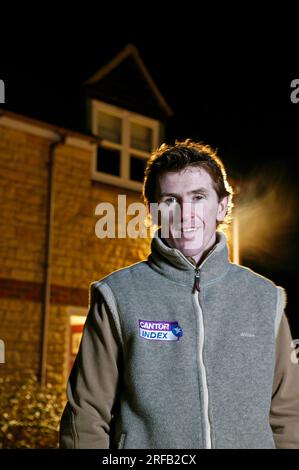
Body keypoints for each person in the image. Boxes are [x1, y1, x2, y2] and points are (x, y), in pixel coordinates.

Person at [59, 140, 299, 449]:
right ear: (153, 210)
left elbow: (288, 415)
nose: (186, 213)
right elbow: (86, 416)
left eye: (198, 197)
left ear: (222, 206)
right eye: (171, 200)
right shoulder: (116, 297)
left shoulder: (265, 299)